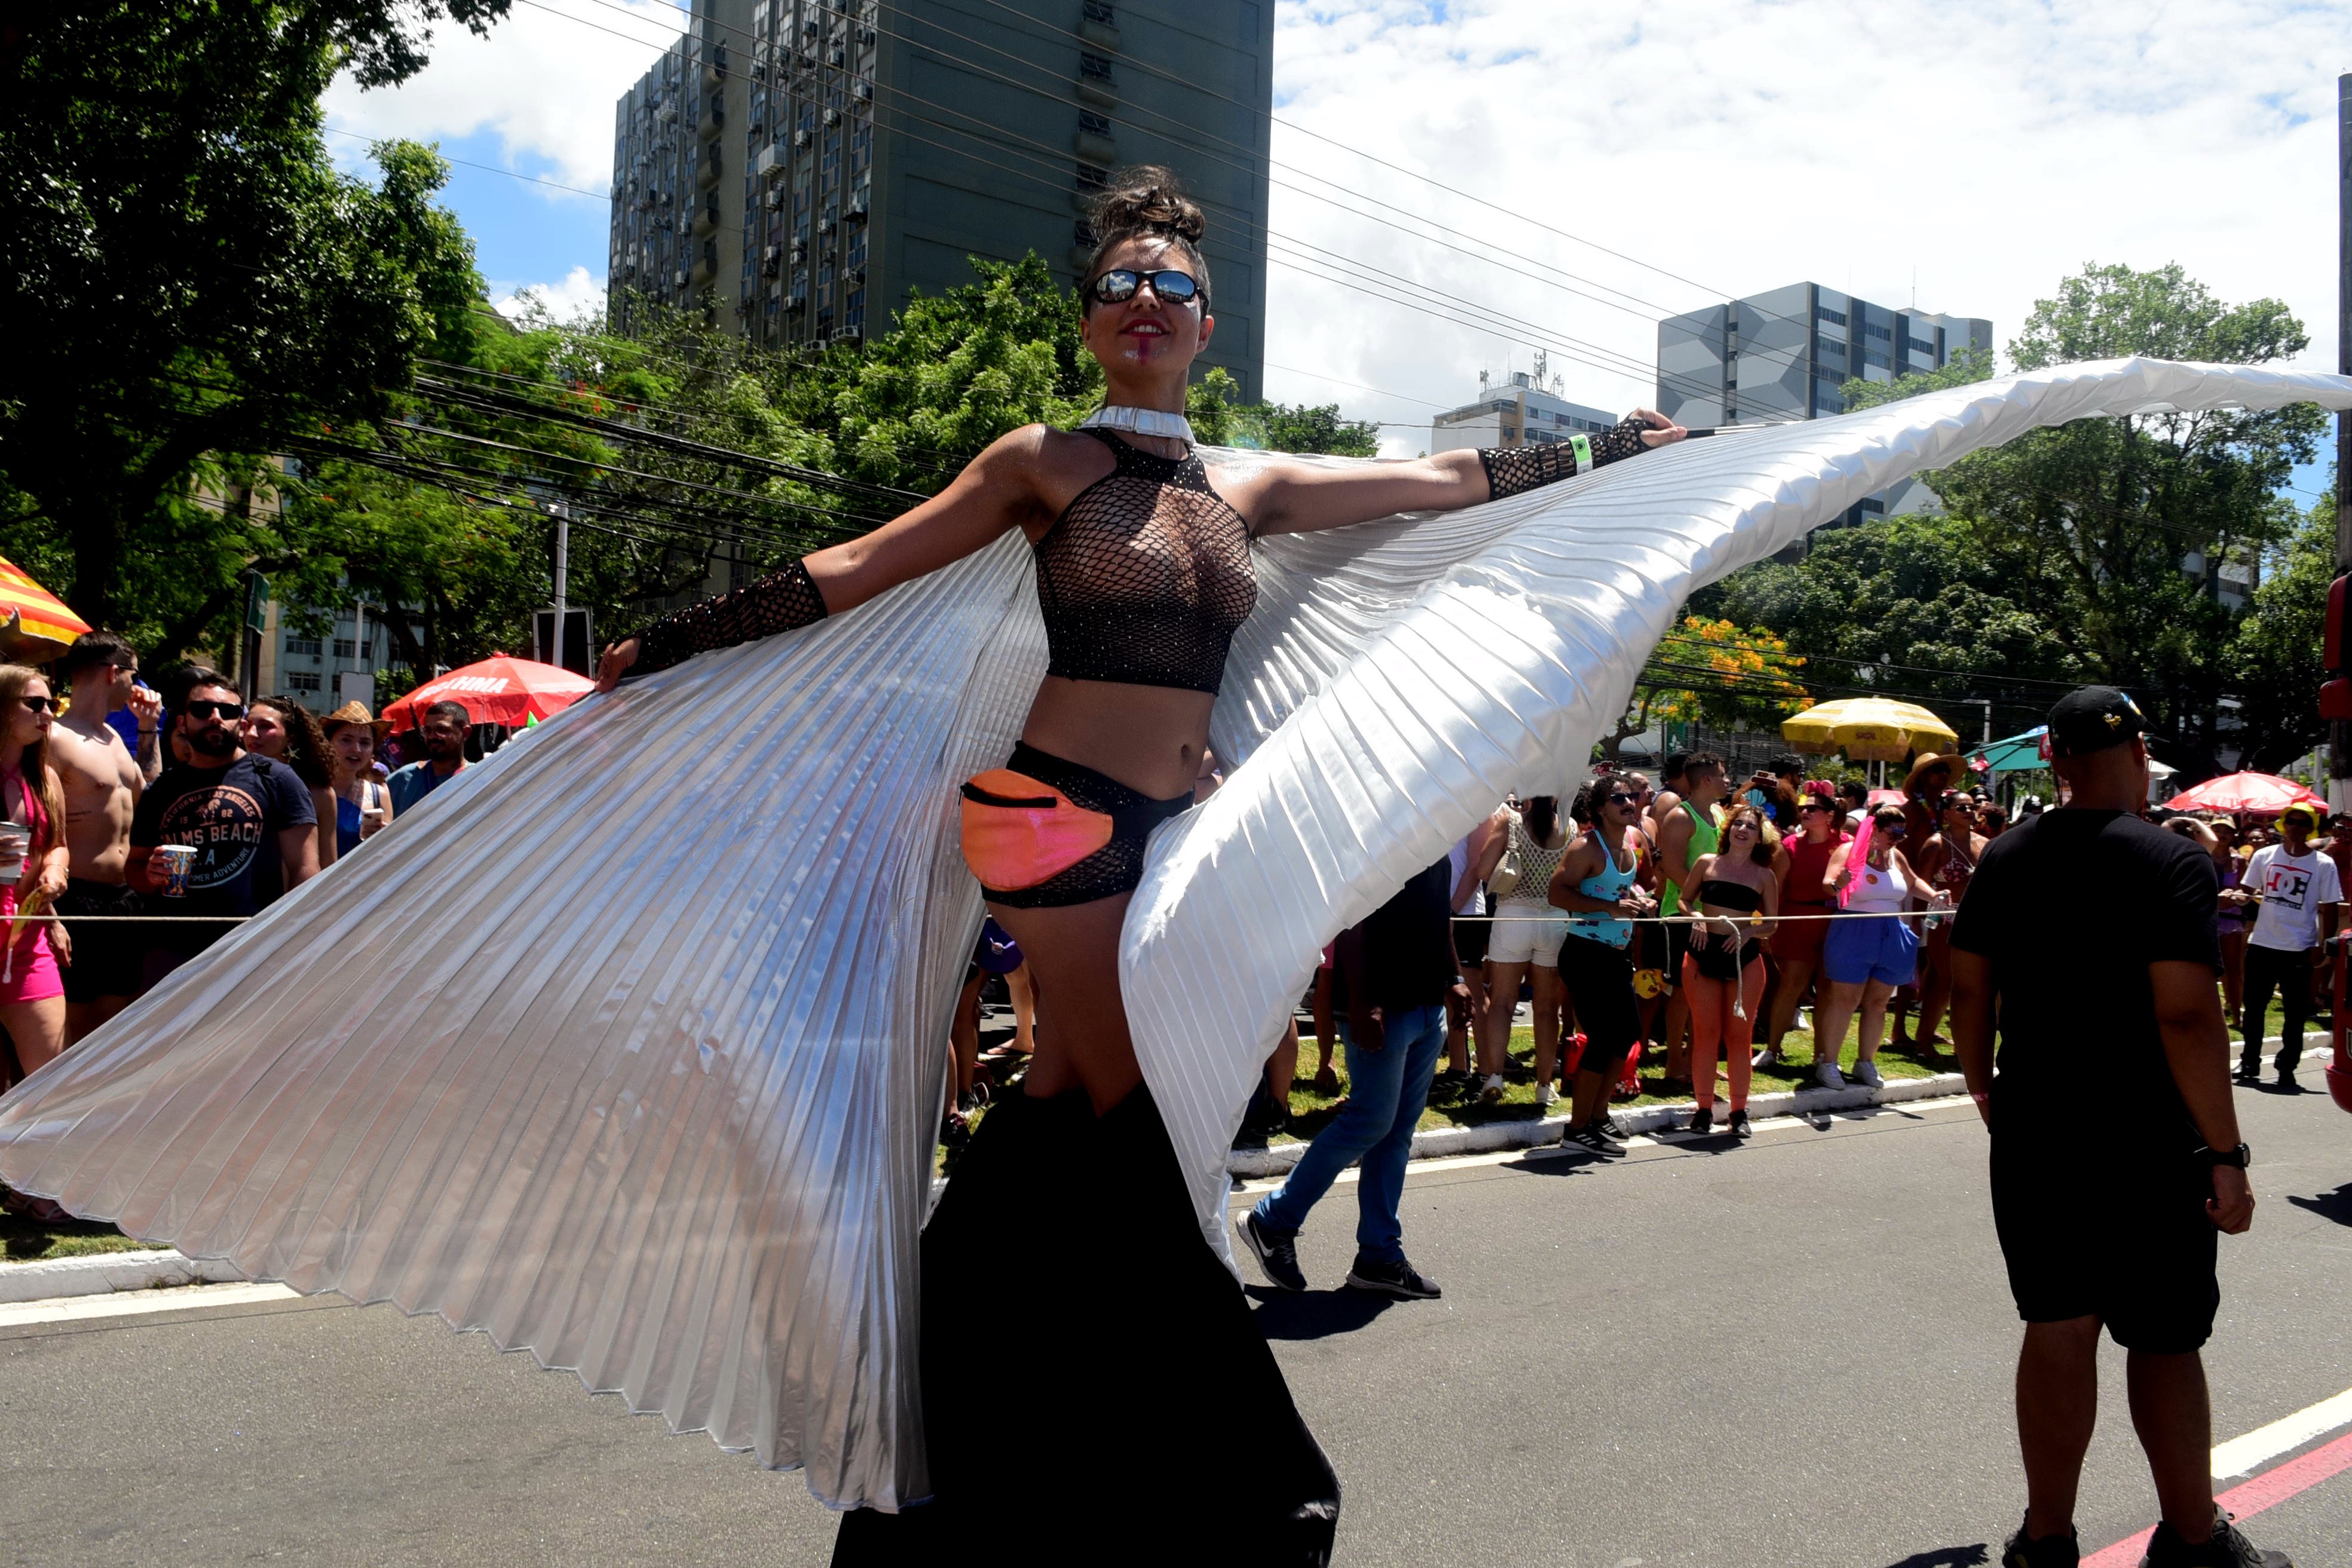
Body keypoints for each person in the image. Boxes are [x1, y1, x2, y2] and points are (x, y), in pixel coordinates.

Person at [592, 167, 1682, 1558]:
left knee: (1067, 1107)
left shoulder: (1252, 482)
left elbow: (1450, 476)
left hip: (1170, 834)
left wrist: (1605, 459)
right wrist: (684, 634)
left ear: (1208, 323)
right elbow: (864, 560)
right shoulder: (1038, 460)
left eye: (1172, 284)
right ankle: (1254, 1476)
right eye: (1120, 283)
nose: (1146, 299)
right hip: (1043, 810)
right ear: (1091, 318)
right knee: (1139, 1116)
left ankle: (941, 1443)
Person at [1949, 687, 2288, 1568]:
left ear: (2055, 762)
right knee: (2166, 1337)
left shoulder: (2007, 857)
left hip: (2037, 1128)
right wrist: (2226, 1153)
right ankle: (2189, 1544)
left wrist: (1986, 1087)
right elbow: (2186, 1016)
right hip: (2148, 1136)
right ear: (2139, 756)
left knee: (2058, 1323)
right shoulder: (2170, 862)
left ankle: (2046, 1540)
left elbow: (1969, 988)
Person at [1239, 857, 1454, 1301]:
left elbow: (1438, 911)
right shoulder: (1385, 832)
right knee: (1370, 1121)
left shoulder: (1440, 828)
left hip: (1425, 1005)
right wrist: (1363, 999)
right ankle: (1272, 1220)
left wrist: (1453, 978)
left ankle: (1380, 1256)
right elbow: (1350, 918)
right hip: (1382, 1004)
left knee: (1395, 1133)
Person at [127, 673, 318, 985]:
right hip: (173, 952)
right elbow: (134, 868)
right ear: (182, 723)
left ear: (241, 725)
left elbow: (305, 869)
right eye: (202, 710)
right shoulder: (162, 790)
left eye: (228, 712)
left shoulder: (277, 779)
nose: (215, 718)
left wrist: (295, 936)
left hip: (252, 946)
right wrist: (149, 875)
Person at [48, 632, 162, 1042]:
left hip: (124, 899)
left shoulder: (114, 739)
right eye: (135, 675)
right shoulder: (56, 739)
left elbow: (151, 791)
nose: (138, 687)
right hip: (75, 895)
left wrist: (149, 728)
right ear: (113, 673)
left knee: (113, 1027)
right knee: (70, 1025)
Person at [1546, 779, 1656, 1154]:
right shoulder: (1585, 847)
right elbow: (1557, 893)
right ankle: (1577, 1130)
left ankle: (1597, 1117)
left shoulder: (1632, 842)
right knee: (1604, 1038)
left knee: (1627, 1034)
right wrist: (1611, 908)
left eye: (1630, 796)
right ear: (1598, 809)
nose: (1629, 802)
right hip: (1585, 954)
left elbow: (1629, 889)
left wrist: (1642, 900)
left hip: (1615, 954)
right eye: (1618, 798)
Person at [1812, 806, 1946, 1089]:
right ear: (1873, 827)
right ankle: (1828, 1064)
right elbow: (1828, 885)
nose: (1897, 839)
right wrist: (1839, 884)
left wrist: (1935, 895)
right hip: (1853, 927)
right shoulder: (1849, 852)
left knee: (1878, 1002)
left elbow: (1912, 883)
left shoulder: (1895, 855)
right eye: (1893, 832)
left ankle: (1865, 1062)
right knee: (1845, 1000)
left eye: (1902, 832)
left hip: (1891, 930)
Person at [1677, 803, 1780, 1137]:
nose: (1743, 830)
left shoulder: (1764, 875)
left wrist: (1751, 930)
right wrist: (1695, 918)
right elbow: (1684, 900)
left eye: (1751, 827)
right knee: (1705, 1034)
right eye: (1738, 824)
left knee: (1740, 1037)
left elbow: (1773, 924)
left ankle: (1739, 1112)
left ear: (1759, 837)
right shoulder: (1707, 863)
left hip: (1744, 959)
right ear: (1728, 829)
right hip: (1702, 955)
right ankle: (1704, 1110)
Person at [1474, 793, 1572, 1106]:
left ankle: (1495, 1076)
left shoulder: (1511, 822)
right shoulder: (1569, 828)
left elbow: (1484, 870)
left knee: (1502, 1002)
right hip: (1555, 919)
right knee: (1546, 1009)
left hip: (1513, 915)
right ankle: (1544, 1084)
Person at [2235, 800, 2340, 1088]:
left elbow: (2330, 906)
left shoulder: (2323, 864)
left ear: (2311, 828)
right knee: (2254, 1008)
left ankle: (2287, 1067)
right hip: (2263, 944)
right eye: (2291, 821)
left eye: (2303, 822)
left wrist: (2323, 944)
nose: (2296, 827)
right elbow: (2247, 890)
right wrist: (2241, 897)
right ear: (2283, 824)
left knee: (2295, 1013)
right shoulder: (2265, 855)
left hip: (2299, 947)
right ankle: (2249, 1063)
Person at [0, 666, 73, 1079]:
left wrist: (56, 871)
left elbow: (58, 845)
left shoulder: (45, 777)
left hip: (26, 942)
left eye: (53, 704)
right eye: (36, 704)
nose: (48, 714)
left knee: (51, 1079)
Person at [1655, 751, 1730, 1092]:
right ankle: (1674, 1066)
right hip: (1681, 916)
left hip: (1713, 917)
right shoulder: (1680, 818)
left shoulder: (1717, 813)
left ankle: (1699, 1060)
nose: (1728, 781)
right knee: (1683, 995)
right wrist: (1701, 902)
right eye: (1723, 775)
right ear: (1706, 780)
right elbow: (1671, 868)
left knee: (1708, 996)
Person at [1762, 788, 1846, 1068]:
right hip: (1798, 920)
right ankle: (1773, 1049)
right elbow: (1775, 888)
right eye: (1803, 809)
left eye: (1813, 809)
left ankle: (1822, 1055)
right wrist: (1769, 924)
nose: (1806, 812)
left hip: (1835, 923)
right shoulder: (1790, 846)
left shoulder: (1846, 844)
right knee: (1792, 985)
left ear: (1830, 816)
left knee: (1828, 989)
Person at [1912, 790, 1989, 1056]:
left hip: (1977, 920)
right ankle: (1924, 1042)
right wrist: (1917, 923)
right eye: (1961, 808)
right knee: (1945, 980)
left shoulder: (1984, 843)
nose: (1969, 811)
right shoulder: (1937, 844)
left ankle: (1960, 1040)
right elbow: (1918, 883)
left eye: (1972, 807)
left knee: (1970, 983)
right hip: (1944, 919)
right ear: (1946, 814)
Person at [1443, 805, 1509, 1090]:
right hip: (1442, 911)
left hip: (1465, 911)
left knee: (1473, 993)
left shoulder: (1482, 810)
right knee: (1450, 991)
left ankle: (1486, 1070)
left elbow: (1476, 866)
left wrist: (1454, 909)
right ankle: (1458, 1067)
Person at [242, 697, 340, 878]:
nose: (252, 733)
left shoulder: (320, 795)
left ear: (292, 737)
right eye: (247, 725)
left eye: (265, 726)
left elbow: (328, 865)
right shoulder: (231, 786)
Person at [320, 702, 394, 858]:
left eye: (365, 743)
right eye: (346, 740)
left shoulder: (379, 795)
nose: (356, 749)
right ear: (328, 742)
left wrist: (384, 838)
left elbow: (386, 855)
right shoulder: (309, 789)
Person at [387, 701, 469, 816]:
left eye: (442, 729)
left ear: (465, 732)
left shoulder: (478, 778)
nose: (432, 736)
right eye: (428, 730)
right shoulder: (403, 780)